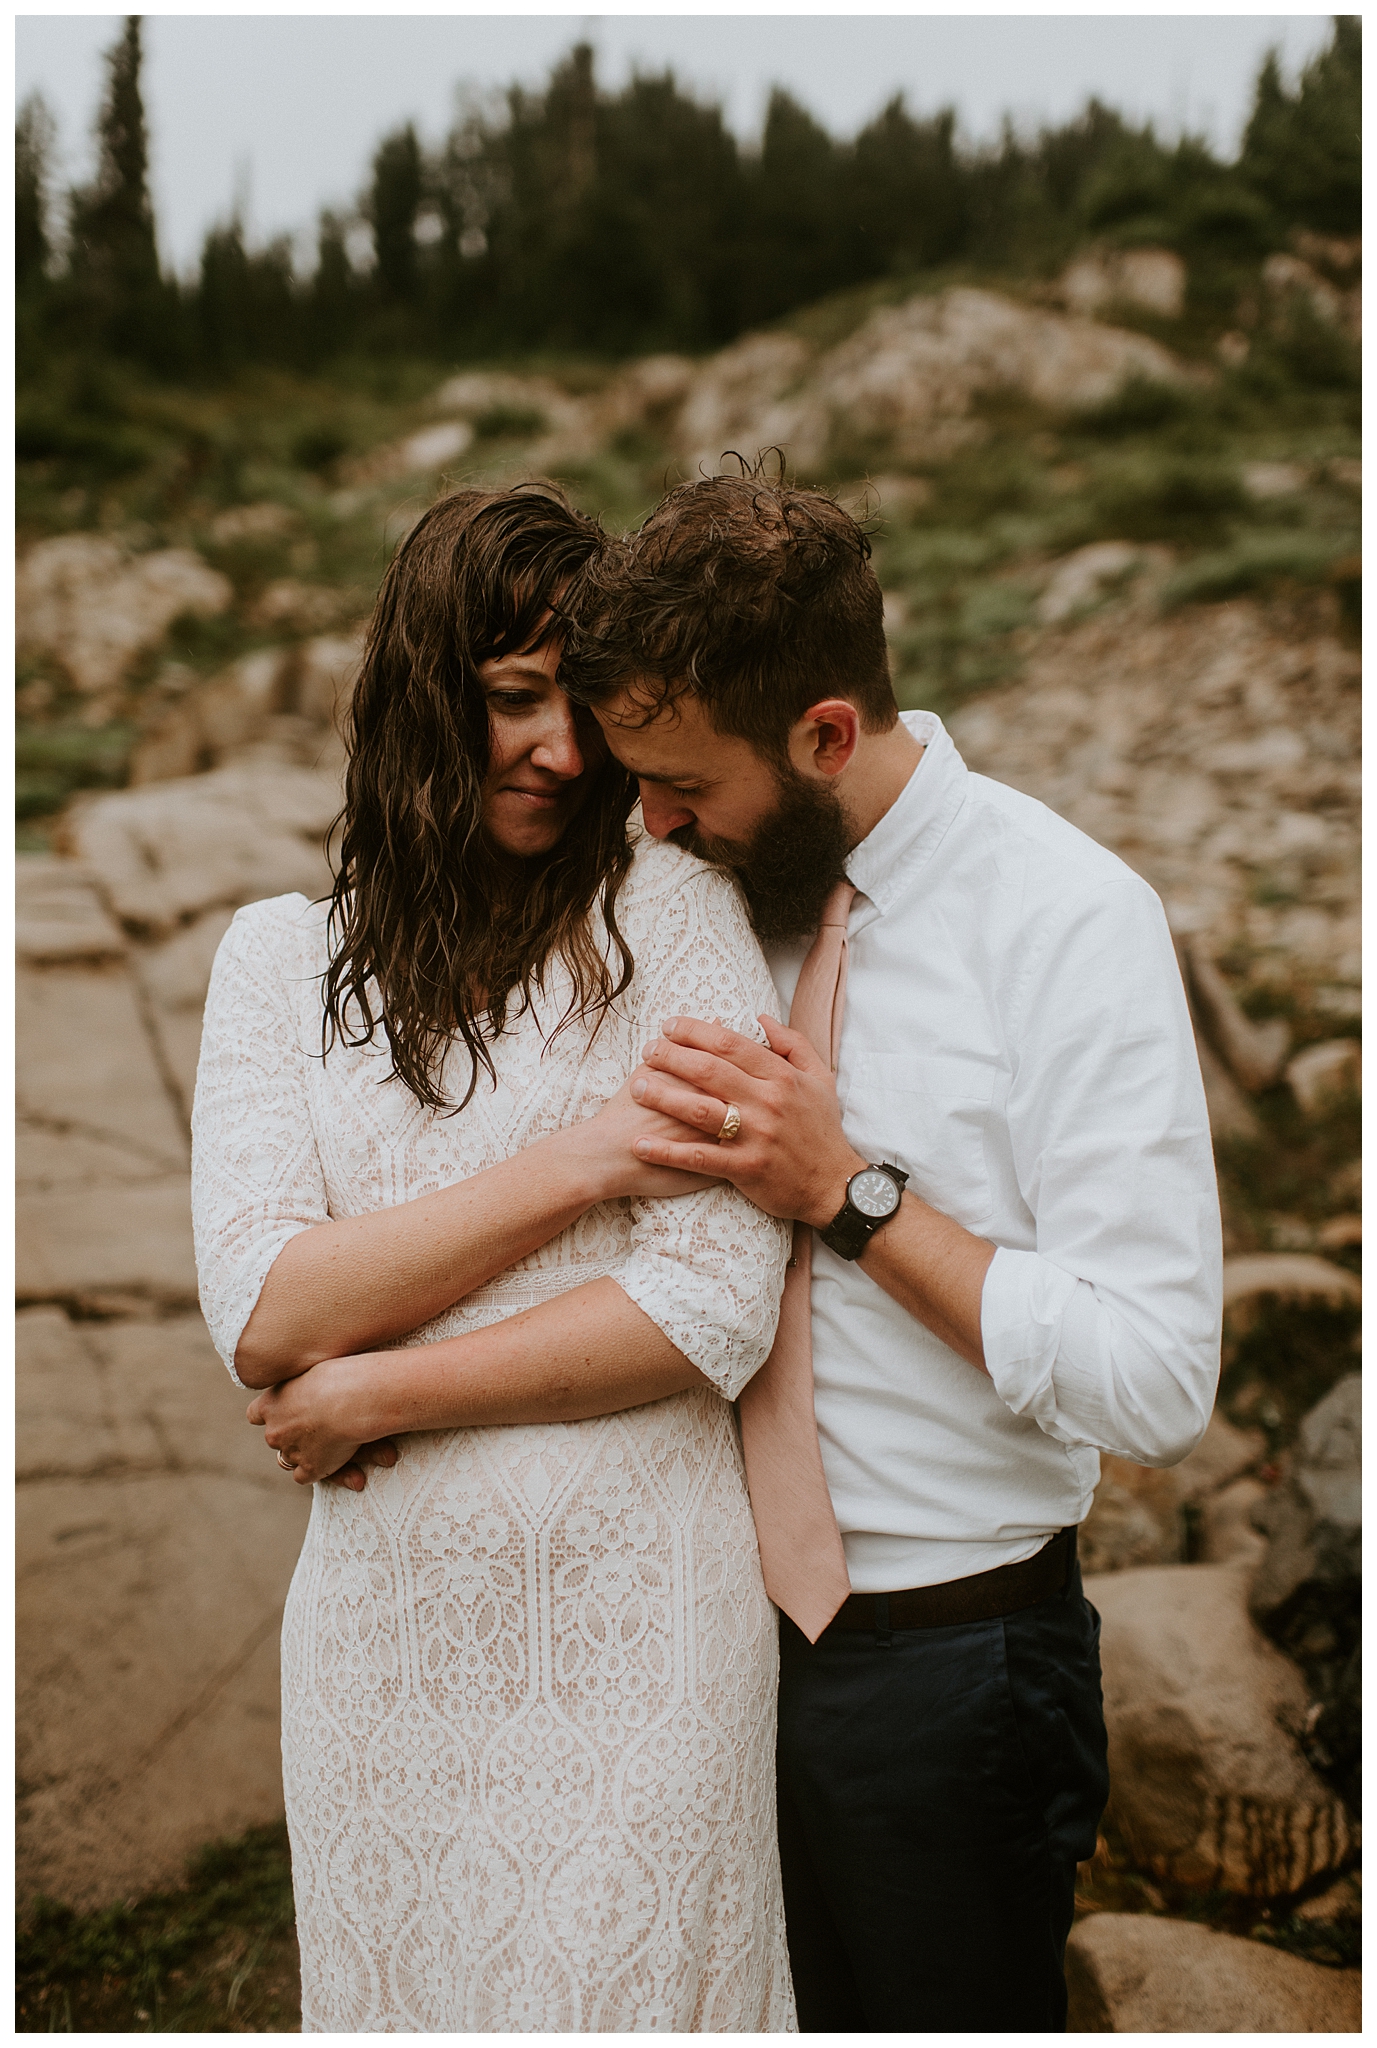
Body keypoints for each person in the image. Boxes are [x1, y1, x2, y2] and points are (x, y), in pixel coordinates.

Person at [560, 470, 1223, 2033]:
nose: (648, 821)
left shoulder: (1070, 923)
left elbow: (1155, 1377)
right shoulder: (699, 897)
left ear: (827, 736)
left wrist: (849, 1194)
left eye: (680, 783)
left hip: (951, 1674)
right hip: (694, 1656)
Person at [190, 485, 797, 2034]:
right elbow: (267, 1315)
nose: (562, 752)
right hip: (383, 1662)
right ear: (420, 691)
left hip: (641, 1634)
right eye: (512, 699)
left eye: (579, 708)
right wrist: (582, 1164)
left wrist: (388, 1385)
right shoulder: (276, 964)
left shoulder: (674, 914)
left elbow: (710, 1307)